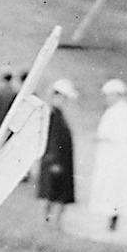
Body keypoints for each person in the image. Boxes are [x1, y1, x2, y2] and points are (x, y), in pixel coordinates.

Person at [91, 78, 127, 232]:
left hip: (117, 155)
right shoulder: (112, 111)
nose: (107, 99)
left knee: (115, 187)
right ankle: (105, 216)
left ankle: (113, 219)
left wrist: (104, 137)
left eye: (109, 95)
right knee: (106, 185)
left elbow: (121, 135)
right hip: (107, 154)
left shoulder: (125, 112)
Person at [37, 79, 78, 224]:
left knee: (58, 193)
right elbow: (53, 140)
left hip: (60, 160)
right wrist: (54, 161)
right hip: (54, 161)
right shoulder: (52, 115)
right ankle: (47, 221)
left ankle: (54, 222)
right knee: (51, 193)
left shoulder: (58, 114)